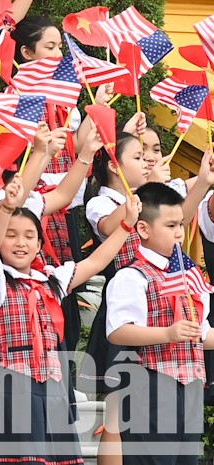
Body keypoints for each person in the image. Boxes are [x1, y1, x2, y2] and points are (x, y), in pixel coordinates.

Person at [0, 171, 133, 465]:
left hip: (52, 385)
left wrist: (125, 226)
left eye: (29, 236)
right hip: (12, 386)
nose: (20, 242)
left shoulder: (51, 280)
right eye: (10, 234)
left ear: (39, 245)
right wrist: (6, 209)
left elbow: (96, 261)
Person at [102, 182, 214, 465]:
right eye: (171, 225)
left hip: (188, 387)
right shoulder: (133, 276)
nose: (179, 232)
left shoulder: (186, 274)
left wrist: (189, 333)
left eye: (181, 225)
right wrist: (167, 332)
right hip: (150, 386)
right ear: (143, 229)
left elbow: (201, 333)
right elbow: (118, 330)